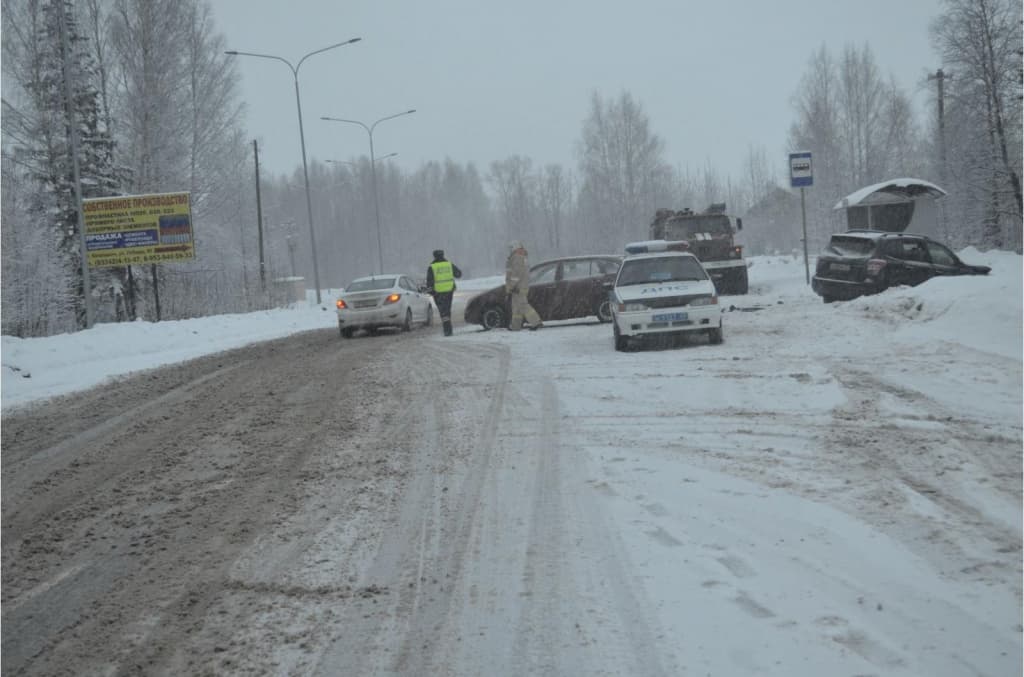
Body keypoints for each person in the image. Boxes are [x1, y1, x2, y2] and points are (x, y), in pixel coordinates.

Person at [505, 241, 543, 331]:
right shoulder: (522, 257)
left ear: (515, 248)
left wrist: (511, 286)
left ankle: (536, 322)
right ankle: (515, 326)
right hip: (520, 286)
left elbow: (516, 274)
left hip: (517, 287)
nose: (510, 250)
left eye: (511, 248)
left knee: (523, 305)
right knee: (516, 308)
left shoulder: (517, 257)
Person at [426, 249, 462, 336]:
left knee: (443, 311)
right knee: (447, 310)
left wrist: (430, 290)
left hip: (438, 292)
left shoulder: (432, 267)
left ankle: (447, 330)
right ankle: (448, 330)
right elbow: (459, 274)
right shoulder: (449, 264)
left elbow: (429, 280)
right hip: (449, 291)